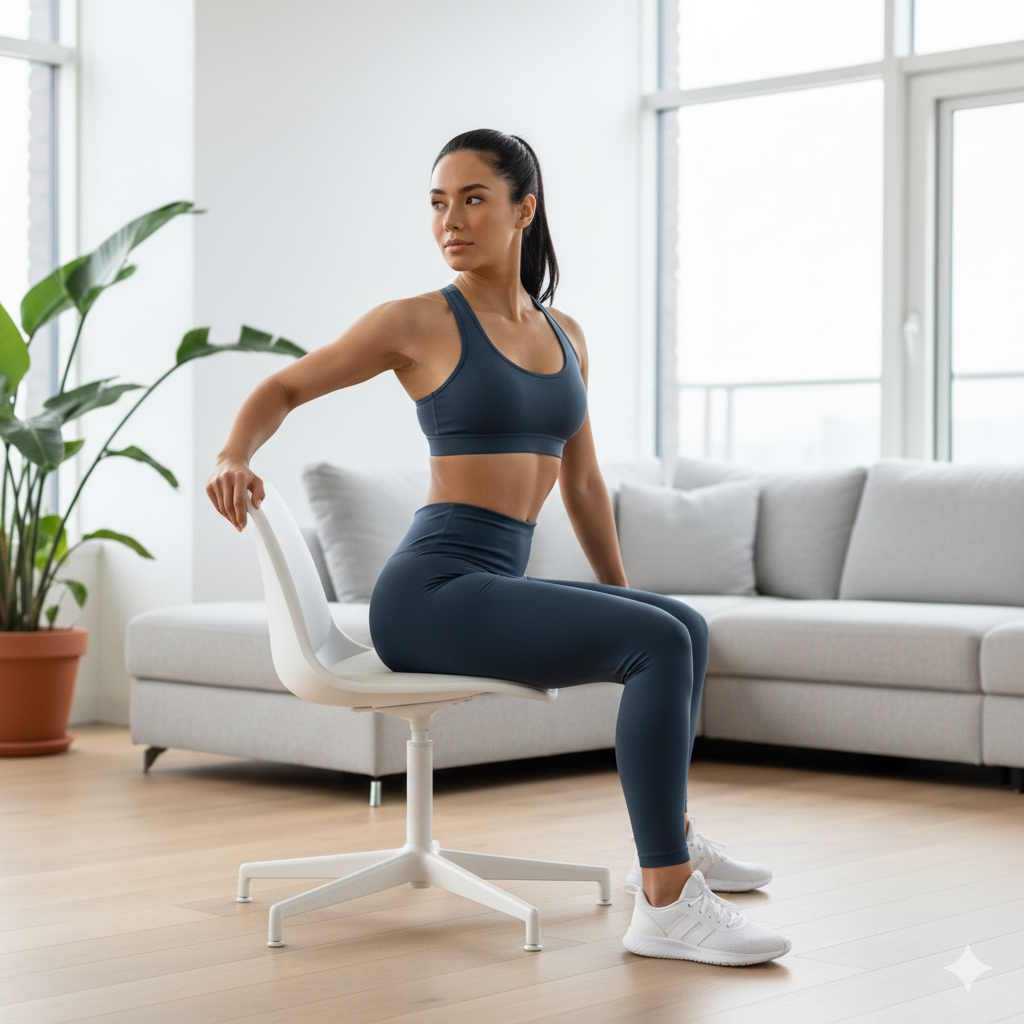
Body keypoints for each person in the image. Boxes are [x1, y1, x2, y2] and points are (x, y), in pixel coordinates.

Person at [206, 129, 791, 966]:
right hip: (431, 594)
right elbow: (285, 385)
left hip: (484, 585)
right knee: (662, 638)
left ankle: (674, 840)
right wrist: (234, 453)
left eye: (473, 199)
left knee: (681, 627)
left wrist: (622, 599)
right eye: (439, 202)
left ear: (524, 209)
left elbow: (583, 484)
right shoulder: (415, 321)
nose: (451, 220)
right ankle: (665, 902)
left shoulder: (567, 336)